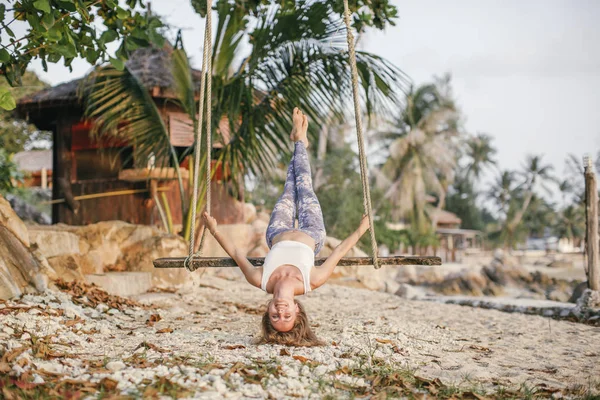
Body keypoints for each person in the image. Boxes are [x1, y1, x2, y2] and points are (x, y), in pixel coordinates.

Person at [203, 108, 371, 346]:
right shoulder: (311, 280)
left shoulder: (259, 279)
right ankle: (300, 141)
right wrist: (361, 230)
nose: (281, 311)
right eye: (287, 315)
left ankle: (300, 141)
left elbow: (236, 253)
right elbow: (339, 251)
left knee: (289, 185)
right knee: (303, 183)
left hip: (277, 231)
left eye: (275, 316)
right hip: (312, 230)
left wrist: (214, 230)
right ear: (297, 309)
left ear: (267, 310)